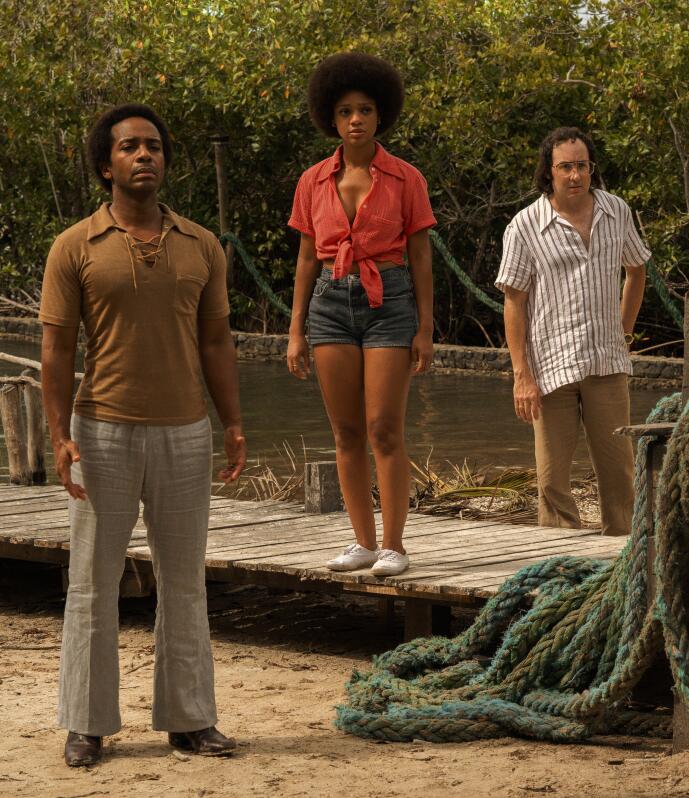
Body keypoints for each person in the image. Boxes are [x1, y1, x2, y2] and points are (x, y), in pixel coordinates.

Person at [40, 103, 246, 767]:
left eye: (153, 146)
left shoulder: (200, 244)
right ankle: (87, 724)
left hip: (185, 431)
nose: (144, 156)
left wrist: (234, 421)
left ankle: (190, 720)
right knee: (93, 580)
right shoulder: (76, 246)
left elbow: (216, 341)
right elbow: (56, 352)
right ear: (108, 166)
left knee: (184, 580)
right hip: (101, 429)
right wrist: (58, 434)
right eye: (130, 147)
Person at [286, 53, 435, 576]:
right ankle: (363, 543)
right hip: (330, 302)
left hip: (389, 301)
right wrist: (295, 331)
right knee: (345, 431)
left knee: (384, 427)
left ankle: (394, 545)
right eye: (346, 110)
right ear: (332, 117)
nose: (355, 119)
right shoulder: (313, 180)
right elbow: (307, 258)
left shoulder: (405, 178)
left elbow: (420, 257)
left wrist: (425, 328)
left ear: (380, 116)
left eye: (365, 110)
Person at [496, 127, 649, 537]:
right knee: (551, 480)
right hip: (550, 368)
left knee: (619, 475)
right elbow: (514, 301)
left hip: (607, 361)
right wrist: (521, 374)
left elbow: (636, 268)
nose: (576, 175)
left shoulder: (616, 210)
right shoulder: (525, 225)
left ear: (591, 168)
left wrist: (625, 330)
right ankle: (562, 565)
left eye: (582, 166)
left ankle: (624, 561)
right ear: (550, 172)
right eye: (566, 167)